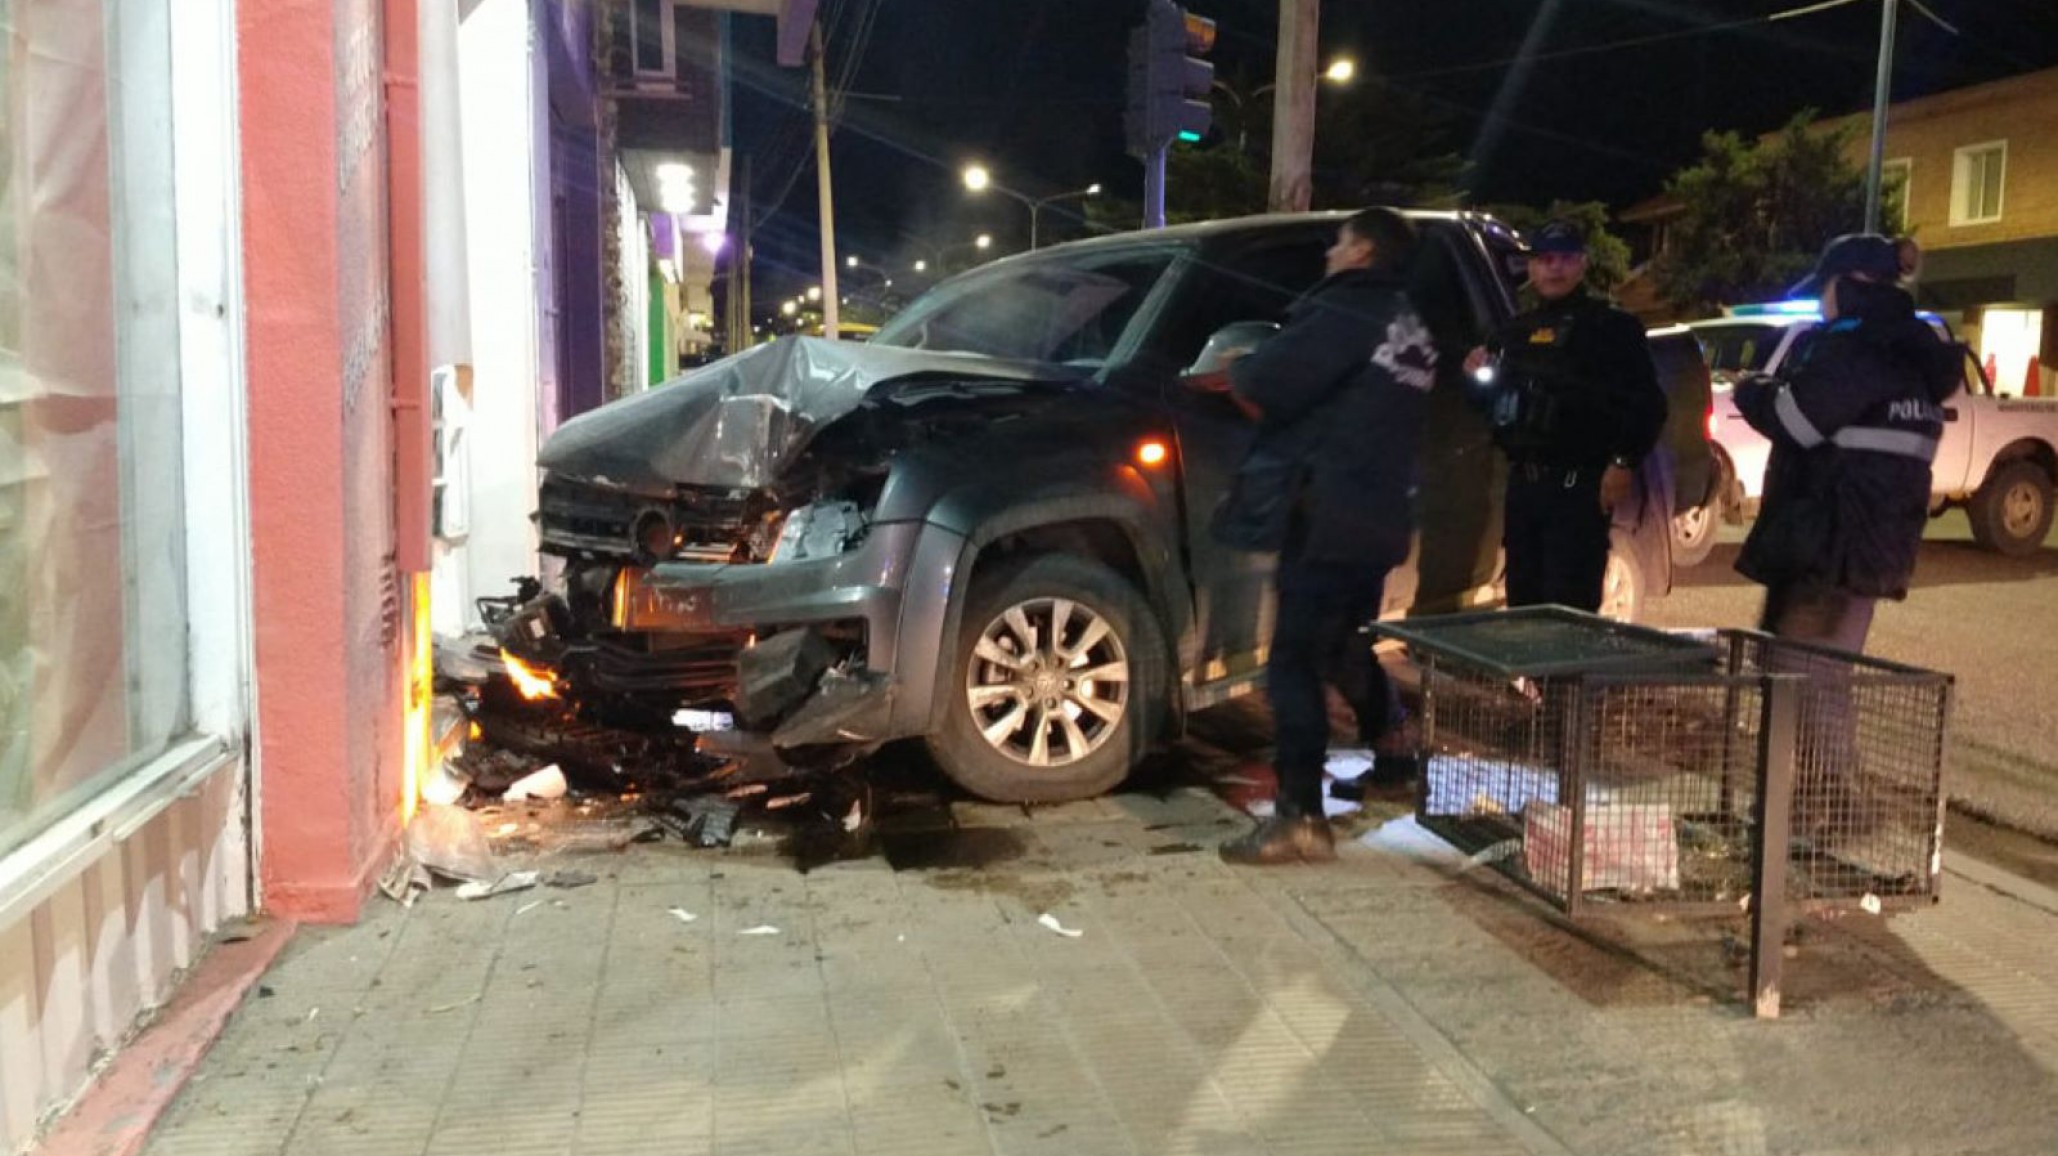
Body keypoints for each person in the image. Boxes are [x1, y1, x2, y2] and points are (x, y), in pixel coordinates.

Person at [1208, 207, 1439, 866]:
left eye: (1339, 242)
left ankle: (1300, 818)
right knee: (1344, 646)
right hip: (1378, 514)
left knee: (1293, 665)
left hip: (1326, 516)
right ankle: (1395, 753)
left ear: (1363, 249)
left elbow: (1268, 380)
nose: (1330, 253)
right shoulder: (1409, 323)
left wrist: (1238, 366)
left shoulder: (1348, 309)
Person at [1732, 233, 1957, 652]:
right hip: (1866, 550)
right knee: (1825, 672)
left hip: (1827, 551)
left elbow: (1795, 420)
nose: (1822, 302)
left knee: (1798, 675)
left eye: (1825, 288)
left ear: (1852, 282)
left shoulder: (1856, 350)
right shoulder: (1912, 354)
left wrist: (1751, 388)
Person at [1463, 220, 1667, 611]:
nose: (1554, 268)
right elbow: (1490, 406)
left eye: (1565, 258)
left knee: (1569, 610)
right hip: (1524, 489)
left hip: (1579, 489)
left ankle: (1566, 658)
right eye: (1545, 259)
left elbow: (1648, 404)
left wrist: (1623, 462)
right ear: (1532, 267)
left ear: (1582, 264)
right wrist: (1474, 377)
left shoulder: (1611, 328)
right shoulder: (1512, 333)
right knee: (1524, 607)